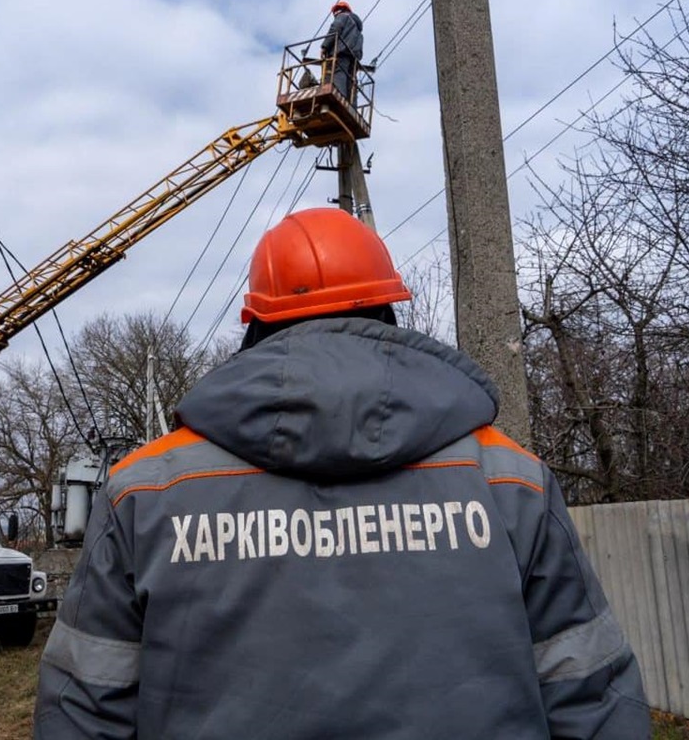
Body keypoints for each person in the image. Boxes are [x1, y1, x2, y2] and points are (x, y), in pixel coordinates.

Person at [34, 209, 651, 739]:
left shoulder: (146, 491)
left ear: (256, 323)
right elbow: (592, 695)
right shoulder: (510, 480)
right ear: (387, 311)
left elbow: (84, 708)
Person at [321, 0, 363, 102]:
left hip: (341, 52)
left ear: (342, 10)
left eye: (337, 10)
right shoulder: (358, 31)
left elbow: (335, 29)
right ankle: (351, 105)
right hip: (353, 58)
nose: (335, 13)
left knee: (338, 73)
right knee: (351, 80)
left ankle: (339, 98)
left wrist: (325, 46)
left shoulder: (342, 17)